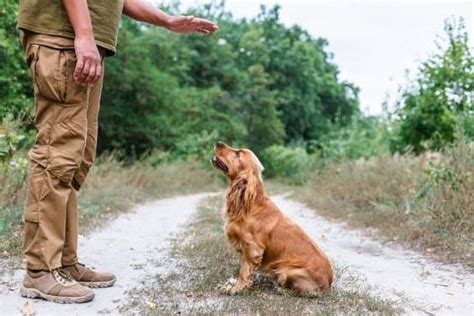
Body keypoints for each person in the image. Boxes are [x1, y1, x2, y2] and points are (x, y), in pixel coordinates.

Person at [17, 0, 218, 304]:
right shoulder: (74, 36)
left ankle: (64, 262)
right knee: (56, 156)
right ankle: (39, 270)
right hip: (62, 39)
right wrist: (83, 34)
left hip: (83, 43)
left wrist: (166, 20)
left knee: (77, 158)